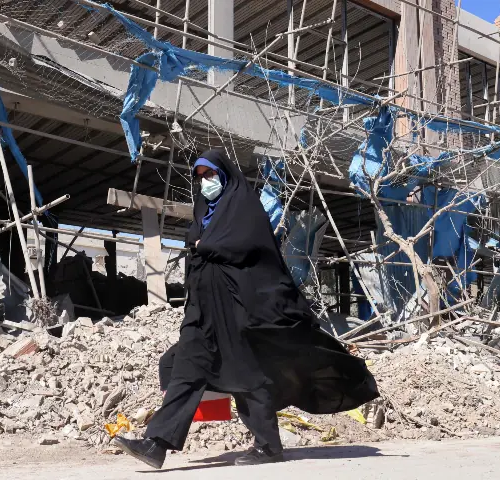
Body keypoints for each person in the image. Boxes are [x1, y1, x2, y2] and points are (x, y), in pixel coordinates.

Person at [114, 149, 379, 468]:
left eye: (210, 175)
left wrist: (205, 247)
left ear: (225, 175)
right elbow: (196, 244)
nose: (205, 182)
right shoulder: (205, 210)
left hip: (239, 311)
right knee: (186, 366)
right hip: (203, 312)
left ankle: (268, 446)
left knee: (247, 376)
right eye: (199, 177)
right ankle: (156, 444)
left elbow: (244, 245)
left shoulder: (244, 207)